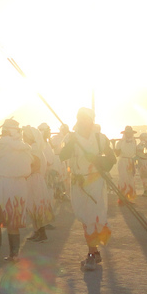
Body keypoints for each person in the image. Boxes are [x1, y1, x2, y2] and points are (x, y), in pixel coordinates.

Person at [60, 108, 115, 269]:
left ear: (91, 120)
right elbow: (63, 156)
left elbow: (112, 159)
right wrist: (71, 144)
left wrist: (97, 159)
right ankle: (95, 252)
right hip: (78, 184)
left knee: (93, 218)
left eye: (86, 118)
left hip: (96, 183)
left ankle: (91, 255)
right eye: (80, 118)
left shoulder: (100, 139)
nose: (83, 121)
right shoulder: (71, 137)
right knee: (86, 219)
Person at [0, 118, 33, 263]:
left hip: (1, 184)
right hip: (19, 187)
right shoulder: (25, 147)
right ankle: (14, 255)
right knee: (13, 223)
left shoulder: (0, 144)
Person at [23, 125, 55, 242]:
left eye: (25, 135)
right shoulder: (34, 147)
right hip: (33, 178)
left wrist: (23, 174)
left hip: (33, 179)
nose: (23, 137)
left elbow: (35, 166)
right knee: (33, 206)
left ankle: (41, 233)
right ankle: (37, 232)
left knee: (36, 205)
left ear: (30, 137)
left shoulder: (34, 148)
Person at [115, 126, 138, 203]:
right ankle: (122, 198)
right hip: (123, 161)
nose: (129, 135)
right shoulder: (120, 142)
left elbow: (135, 152)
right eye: (128, 133)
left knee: (130, 179)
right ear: (125, 134)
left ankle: (129, 197)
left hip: (130, 161)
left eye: (130, 133)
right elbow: (117, 154)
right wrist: (115, 149)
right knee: (123, 179)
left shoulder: (134, 141)